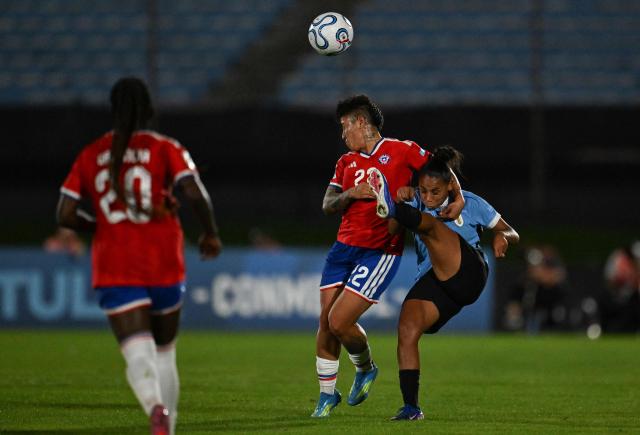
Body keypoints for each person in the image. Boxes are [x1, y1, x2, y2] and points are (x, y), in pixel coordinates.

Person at [56, 77, 222, 435]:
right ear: (149, 109)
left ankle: (154, 407)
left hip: (115, 263)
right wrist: (209, 233)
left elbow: (65, 214)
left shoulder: (91, 154)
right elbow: (194, 192)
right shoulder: (165, 147)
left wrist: (99, 222)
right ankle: (169, 428)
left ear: (113, 110)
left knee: (136, 351)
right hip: (163, 259)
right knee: (165, 352)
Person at [312, 95, 465, 417]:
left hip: (379, 251)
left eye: (345, 127)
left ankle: (365, 368)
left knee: (340, 321)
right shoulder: (345, 163)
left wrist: (459, 198)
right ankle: (327, 395)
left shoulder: (403, 150)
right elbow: (328, 205)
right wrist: (352, 193)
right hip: (342, 249)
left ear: (361, 123)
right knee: (326, 323)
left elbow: (442, 172)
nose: (343, 135)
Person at [367, 145, 519, 420]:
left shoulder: (470, 202)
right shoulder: (416, 203)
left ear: (451, 186)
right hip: (437, 282)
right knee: (407, 327)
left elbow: (511, 230)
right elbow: (391, 229)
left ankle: (388, 203)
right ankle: (411, 408)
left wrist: (503, 237)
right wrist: (399, 205)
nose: (428, 197)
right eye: (423, 191)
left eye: (434, 192)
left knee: (433, 228)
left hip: (470, 272)